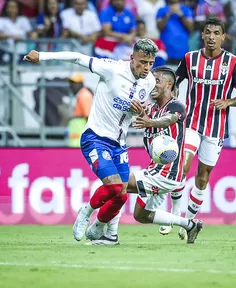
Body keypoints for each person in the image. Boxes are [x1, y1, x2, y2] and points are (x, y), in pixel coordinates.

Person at [23, 38, 158, 243]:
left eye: (150, 63)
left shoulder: (149, 82)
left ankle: (99, 228)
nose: (146, 67)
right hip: (95, 137)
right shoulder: (111, 69)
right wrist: (41, 56)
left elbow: (133, 109)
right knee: (113, 187)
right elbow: (77, 57)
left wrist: (142, 111)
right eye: (142, 62)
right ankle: (85, 212)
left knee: (121, 196)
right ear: (132, 58)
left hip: (119, 143)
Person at [85, 66, 203, 245]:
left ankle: (108, 234)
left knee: (118, 185)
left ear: (169, 84)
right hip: (155, 170)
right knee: (141, 215)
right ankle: (189, 225)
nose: (151, 85)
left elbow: (170, 119)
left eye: (157, 81)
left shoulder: (175, 105)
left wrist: (150, 122)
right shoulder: (151, 109)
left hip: (166, 173)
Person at [159, 16, 236, 239]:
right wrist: (174, 97)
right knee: (183, 166)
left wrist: (227, 102)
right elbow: (175, 82)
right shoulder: (190, 59)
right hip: (190, 123)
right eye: (207, 32)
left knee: (203, 176)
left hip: (216, 128)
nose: (211, 37)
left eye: (216, 33)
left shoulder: (233, 63)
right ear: (202, 35)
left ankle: (188, 222)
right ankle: (175, 213)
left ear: (223, 37)